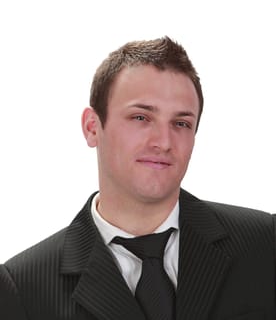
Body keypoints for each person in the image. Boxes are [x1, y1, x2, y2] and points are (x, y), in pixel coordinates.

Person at [0, 37, 275, 320]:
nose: (164, 142)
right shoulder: (23, 287)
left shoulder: (265, 244)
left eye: (181, 123)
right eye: (141, 118)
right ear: (92, 127)